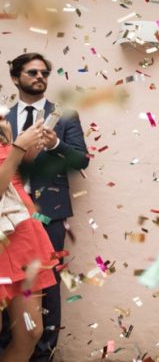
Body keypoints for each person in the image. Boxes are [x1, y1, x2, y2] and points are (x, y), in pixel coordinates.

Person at [5, 53, 89, 361]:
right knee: (9, 284)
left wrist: (56, 145)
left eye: (44, 72)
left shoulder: (65, 115)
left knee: (48, 288)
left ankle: (44, 356)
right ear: (16, 78)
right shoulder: (4, 116)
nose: (39, 76)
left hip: (49, 214)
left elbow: (81, 160)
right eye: (32, 72)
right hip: (8, 217)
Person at [0, 113, 58, 361]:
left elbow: (12, 178)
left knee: (31, 331)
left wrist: (29, 150)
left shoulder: (3, 129)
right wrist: (18, 148)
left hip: (23, 237)